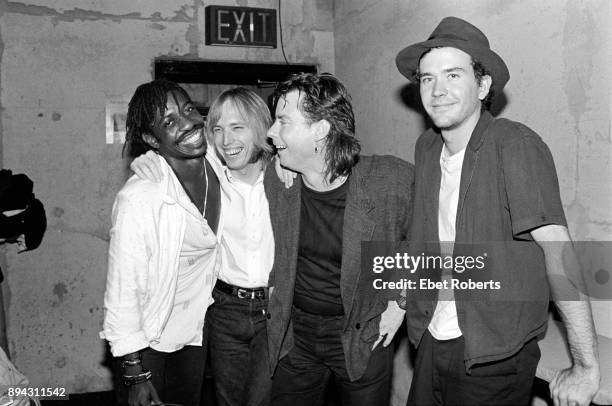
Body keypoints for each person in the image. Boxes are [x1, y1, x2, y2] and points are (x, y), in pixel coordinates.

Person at [395, 17, 600, 406]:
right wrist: (401, 302)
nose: (437, 90)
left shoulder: (514, 144)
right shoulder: (426, 148)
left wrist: (585, 365)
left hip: (494, 355)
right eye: (426, 78)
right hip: (432, 339)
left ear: (483, 85)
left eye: (453, 75)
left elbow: (558, 250)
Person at [264, 72, 413, 406]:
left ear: (320, 129)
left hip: (360, 332)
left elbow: (428, 239)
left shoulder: (390, 181)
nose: (271, 132)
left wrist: (400, 299)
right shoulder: (278, 180)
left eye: (283, 122)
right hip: (295, 333)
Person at [130, 87, 275, 406]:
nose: (227, 139)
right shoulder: (209, 176)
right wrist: (150, 161)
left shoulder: (286, 178)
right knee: (228, 399)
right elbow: (169, 150)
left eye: (238, 127)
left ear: (261, 128)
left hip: (274, 312)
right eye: (219, 129)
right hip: (223, 309)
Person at [100, 79, 222, 406]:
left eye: (188, 109)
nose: (187, 123)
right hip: (149, 340)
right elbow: (124, 290)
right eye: (169, 122)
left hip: (195, 330)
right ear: (153, 139)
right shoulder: (139, 198)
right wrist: (134, 372)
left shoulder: (220, 169)